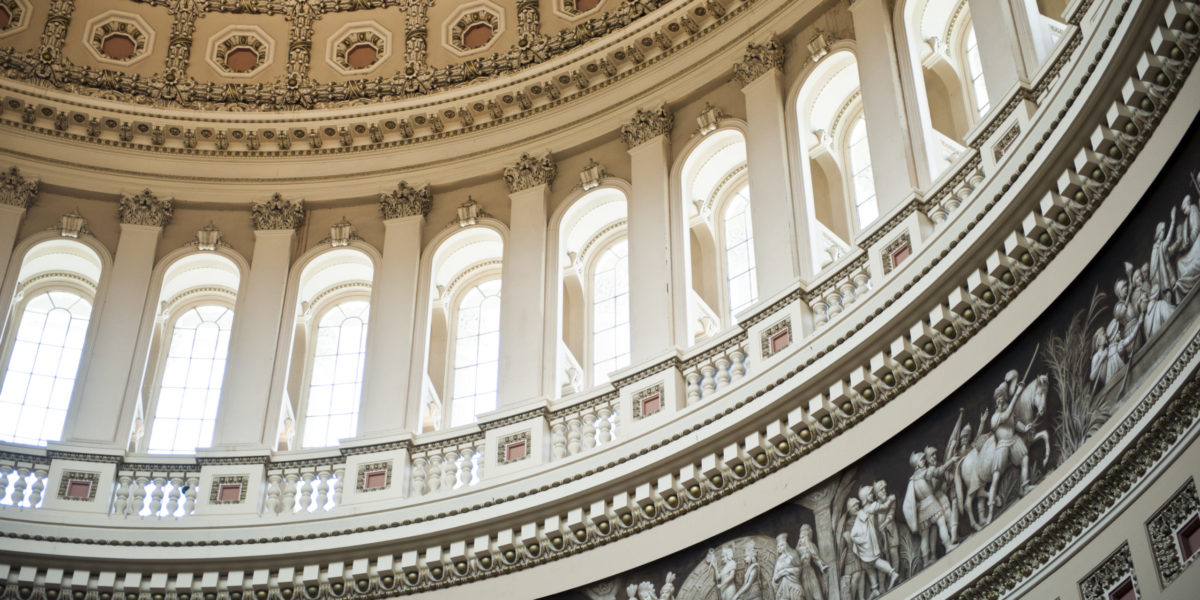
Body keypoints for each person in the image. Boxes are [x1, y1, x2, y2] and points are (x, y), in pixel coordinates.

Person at [849, 486, 901, 595]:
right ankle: (888, 576)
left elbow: (854, 532)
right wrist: (891, 499)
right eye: (870, 494)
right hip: (869, 542)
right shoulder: (871, 507)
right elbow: (885, 507)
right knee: (872, 562)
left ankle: (883, 581)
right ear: (866, 497)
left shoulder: (863, 511)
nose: (873, 495)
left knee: (872, 562)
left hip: (869, 541)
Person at [796, 523, 828, 600]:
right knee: (807, 595)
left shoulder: (811, 546)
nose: (802, 539)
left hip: (810, 572)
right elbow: (795, 563)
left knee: (817, 593)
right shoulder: (797, 550)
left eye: (804, 537)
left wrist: (821, 566)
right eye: (801, 537)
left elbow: (816, 558)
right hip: (802, 574)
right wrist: (801, 559)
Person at [772, 534, 804, 600]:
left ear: (785, 545)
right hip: (782, 590)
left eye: (781, 545)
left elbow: (799, 569)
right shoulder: (778, 560)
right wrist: (781, 573)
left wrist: (787, 571)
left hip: (794, 587)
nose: (779, 548)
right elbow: (774, 578)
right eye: (778, 546)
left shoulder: (793, 554)